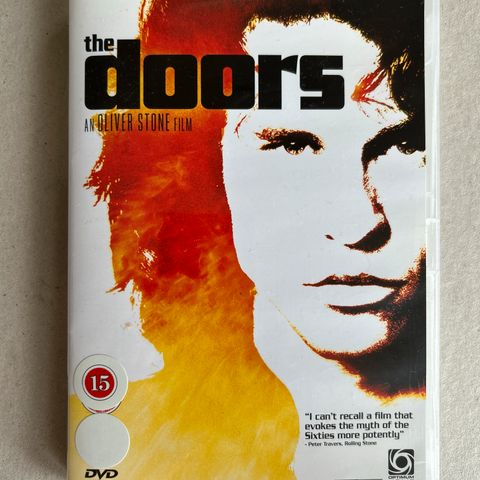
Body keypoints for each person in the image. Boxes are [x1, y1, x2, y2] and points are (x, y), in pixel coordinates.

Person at [88, 0, 426, 477]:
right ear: (208, 168)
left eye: (405, 144)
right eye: (292, 144)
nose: (358, 224)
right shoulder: (125, 437)